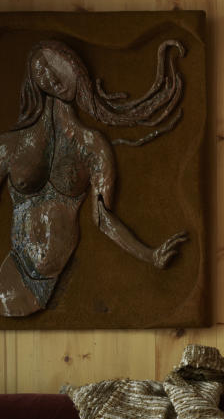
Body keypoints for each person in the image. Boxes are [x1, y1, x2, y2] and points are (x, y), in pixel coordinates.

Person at [0, 39, 189, 317]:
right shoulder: (10, 145)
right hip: (11, 276)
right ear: (33, 80)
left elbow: (102, 218)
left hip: (45, 286)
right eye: (42, 71)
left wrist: (149, 255)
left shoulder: (92, 147)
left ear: (74, 69)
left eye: (55, 66)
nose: (51, 77)